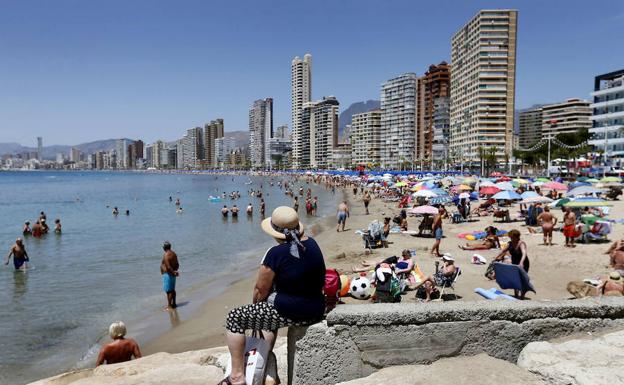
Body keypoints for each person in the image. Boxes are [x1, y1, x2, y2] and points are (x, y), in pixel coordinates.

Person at [219, 207, 325, 385]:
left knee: (234, 318)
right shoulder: (313, 244)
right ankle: (266, 365)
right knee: (269, 312)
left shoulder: (275, 253)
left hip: (295, 312)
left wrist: (256, 307)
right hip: (316, 308)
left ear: (275, 233)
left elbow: (260, 290)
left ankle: (236, 376)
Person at [494, 229, 529, 299]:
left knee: (522, 279)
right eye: (510, 237)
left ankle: (522, 295)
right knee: (515, 278)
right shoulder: (510, 243)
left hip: (523, 263)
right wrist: (496, 258)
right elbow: (503, 250)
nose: (511, 238)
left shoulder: (521, 243)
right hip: (514, 263)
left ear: (516, 237)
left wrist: (521, 262)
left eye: (512, 237)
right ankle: (516, 295)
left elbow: (524, 253)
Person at [160, 241, 179, 310]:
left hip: (168, 274)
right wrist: (175, 271)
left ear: (165, 247)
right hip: (172, 273)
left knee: (168, 291)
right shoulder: (174, 254)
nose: (162, 248)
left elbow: (168, 267)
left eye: (163, 247)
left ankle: (169, 306)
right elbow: (177, 264)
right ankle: (174, 303)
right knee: (172, 289)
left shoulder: (166, 255)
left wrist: (173, 272)